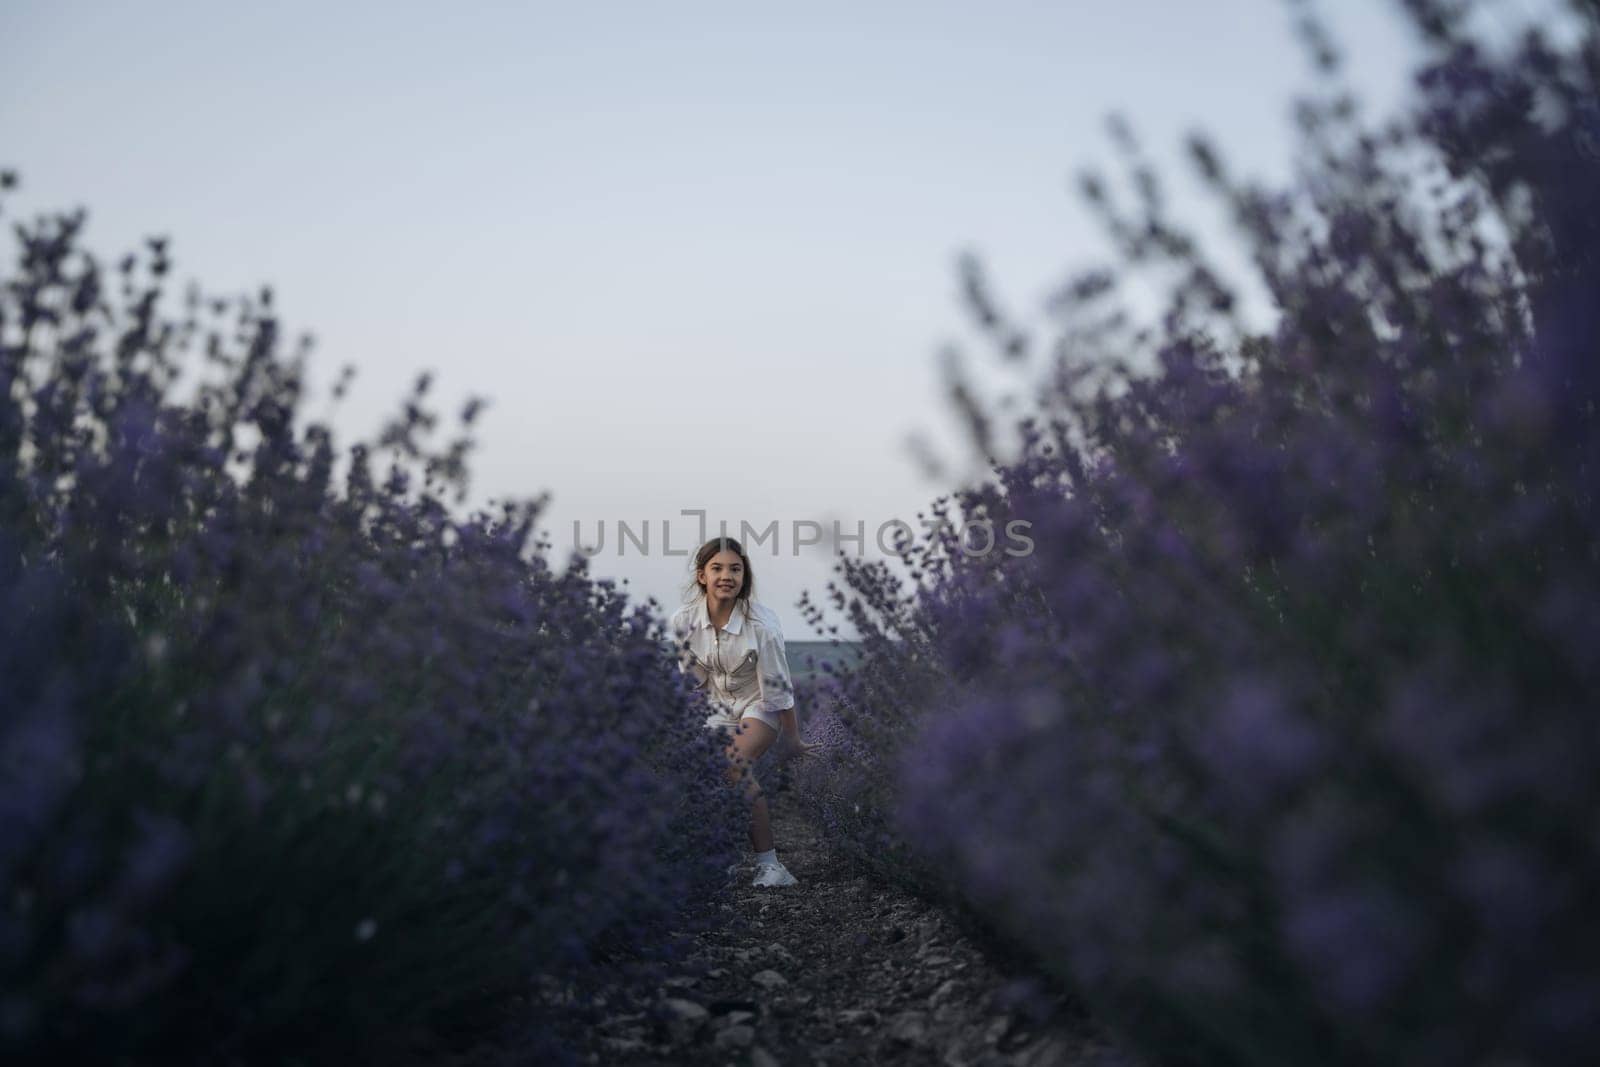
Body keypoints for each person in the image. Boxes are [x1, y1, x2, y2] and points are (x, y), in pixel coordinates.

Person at [669, 536, 821, 888]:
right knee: (702, 773)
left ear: (744, 577)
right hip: (716, 703)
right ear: (702, 576)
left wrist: (793, 739)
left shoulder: (762, 627)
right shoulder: (683, 621)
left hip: (760, 704)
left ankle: (771, 867)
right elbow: (695, 681)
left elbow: (779, 690)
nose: (727, 576)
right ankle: (716, 858)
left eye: (735, 569)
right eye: (717, 568)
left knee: (735, 763)